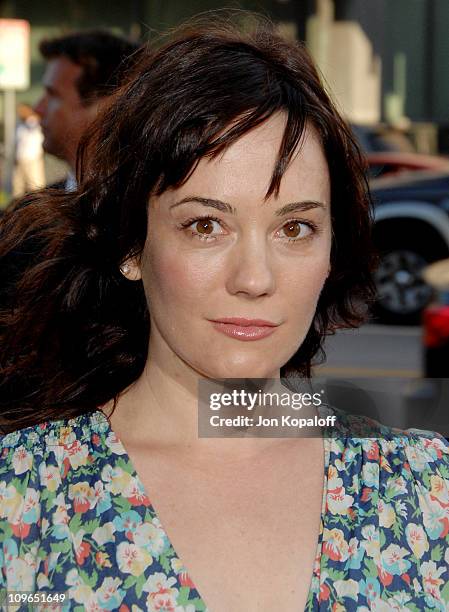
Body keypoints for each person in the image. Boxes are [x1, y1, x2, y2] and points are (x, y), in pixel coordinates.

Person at [0, 16, 448, 612]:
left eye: (295, 227)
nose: (255, 279)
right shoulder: (20, 495)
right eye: (205, 225)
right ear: (132, 247)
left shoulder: (427, 491)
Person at [33, 29, 140, 190]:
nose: (38, 108)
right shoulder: (31, 210)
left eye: (53, 95)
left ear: (104, 108)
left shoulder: (151, 209)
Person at [12, 103, 46, 197]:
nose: (19, 113)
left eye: (22, 110)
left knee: (35, 188)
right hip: (20, 160)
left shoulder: (34, 122)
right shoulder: (20, 126)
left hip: (33, 159)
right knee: (18, 189)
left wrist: (32, 114)